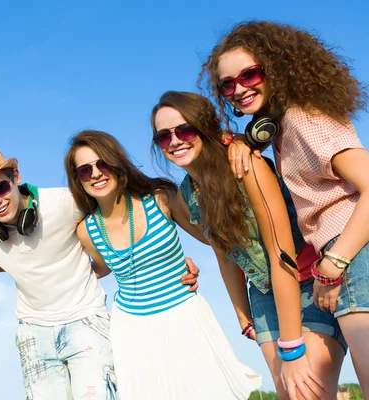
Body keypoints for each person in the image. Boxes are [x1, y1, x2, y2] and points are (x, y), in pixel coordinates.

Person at [201, 20, 369, 396]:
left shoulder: (304, 118)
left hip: (356, 255)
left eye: (249, 74)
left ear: (275, 69)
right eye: (228, 84)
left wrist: (333, 264)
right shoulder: (283, 126)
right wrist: (248, 140)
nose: (238, 89)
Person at [0, 144, 200, 400]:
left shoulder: (66, 202)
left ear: (16, 177)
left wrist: (160, 259)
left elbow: (119, 215)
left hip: (86, 320)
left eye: (0, 188)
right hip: (32, 330)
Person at [150, 91, 346, 399]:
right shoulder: (189, 192)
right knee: (289, 394)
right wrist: (243, 315)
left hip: (309, 284)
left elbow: (279, 253)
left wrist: (292, 348)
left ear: (204, 129)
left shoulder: (245, 166)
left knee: (308, 394)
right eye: (163, 136)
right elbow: (225, 254)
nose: (175, 141)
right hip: (265, 296)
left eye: (184, 130)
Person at [63, 130, 261, 400]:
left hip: (183, 313)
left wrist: (234, 144)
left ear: (117, 163)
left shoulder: (160, 198)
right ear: (78, 180)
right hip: (131, 328)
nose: (96, 173)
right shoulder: (87, 231)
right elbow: (102, 268)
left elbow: (212, 238)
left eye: (103, 163)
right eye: (85, 170)